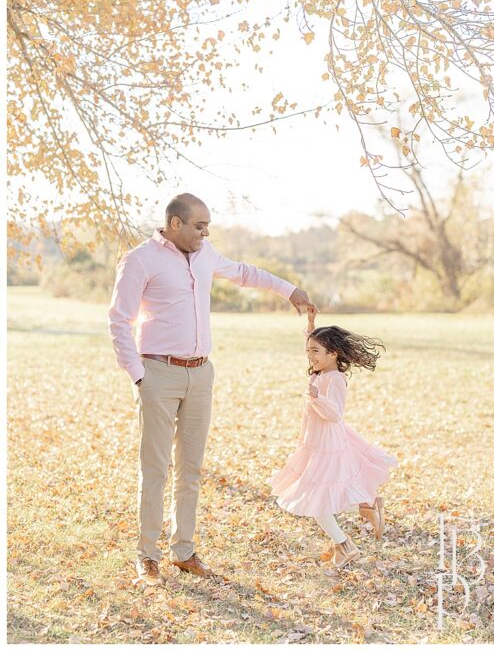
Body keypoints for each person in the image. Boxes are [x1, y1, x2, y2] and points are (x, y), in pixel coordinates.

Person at [108, 193, 316, 587]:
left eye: (208, 227)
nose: (205, 233)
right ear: (174, 224)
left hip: (201, 374)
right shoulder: (140, 259)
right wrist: (139, 376)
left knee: (191, 470)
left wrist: (289, 290)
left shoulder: (205, 254)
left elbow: (244, 272)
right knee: (154, 470)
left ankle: (183, 551)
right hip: (157, 374)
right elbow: (119, 320)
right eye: (199, 226)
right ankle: (147, 556)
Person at [270, 307, 397, 568]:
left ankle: (345, 544)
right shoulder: (320, 371)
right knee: (323, 494)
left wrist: (317, 398)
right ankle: (368, 506)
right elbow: (313, 343)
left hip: (326, 442)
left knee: (316, 498)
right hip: (314, 441)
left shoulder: (334, 379)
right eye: (308, 351)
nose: (309, 356)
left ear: (333, 354)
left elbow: (336, 413)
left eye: (315, 352)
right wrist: (311, 323)